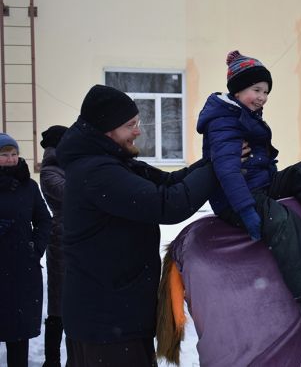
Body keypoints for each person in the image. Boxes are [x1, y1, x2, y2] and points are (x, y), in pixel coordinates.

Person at [55, 85, 221, 366]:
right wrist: (218, 167)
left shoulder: (111, 163)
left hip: (115, 314)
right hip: (107, 323)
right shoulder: (97, 172)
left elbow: (170, 182)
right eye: (130, 125)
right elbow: (168, 204)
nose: (137, 131)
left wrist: (215, 160)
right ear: (106, 130)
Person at [196, 50, 301, 323]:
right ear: (238, 90)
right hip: (236, 196)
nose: (262, 97)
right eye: (256, 89)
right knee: (283, 221)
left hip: (258, 184)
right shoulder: (224, 121)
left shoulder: (245, 114)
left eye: (266, 92)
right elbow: (227, 172)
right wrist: (246, 210)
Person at [0, 133, 52, 367]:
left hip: (22, 268)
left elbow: (44, 220)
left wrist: (36, 248)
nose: (11, 159)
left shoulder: (28, 186)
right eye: (4, 155)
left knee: (18, 334)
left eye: (14, 154)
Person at [39, 125, 69, 367]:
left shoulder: (64, 166)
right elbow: (70, 193)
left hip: (71, 237)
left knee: (73, 303)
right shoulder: (50, 171)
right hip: (60, 239)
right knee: (58, 305)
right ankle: (52, 360)